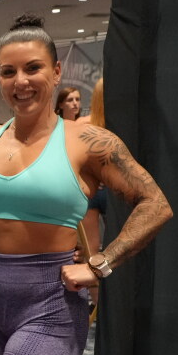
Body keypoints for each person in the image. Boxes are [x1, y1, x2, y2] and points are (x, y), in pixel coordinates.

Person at [0, 14, 172, 355]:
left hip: (49, 308)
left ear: (56, 72)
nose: (21, 81)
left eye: (33, 68)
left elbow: (156, 204)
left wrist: (100, 264)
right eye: (8, 71)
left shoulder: (87, 142)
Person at [76, 77, 107, 308]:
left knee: (94, 254)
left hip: (101, 193)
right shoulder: (84, 126)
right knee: (92, 254)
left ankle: (102, 310)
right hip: (93, 194)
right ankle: (101, 310)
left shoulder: (84, 125)